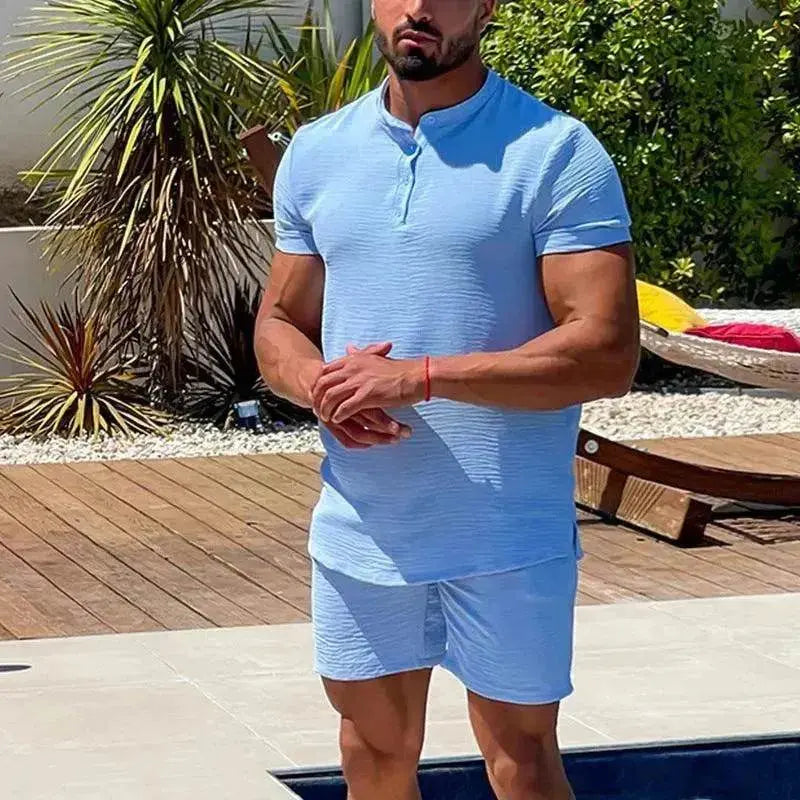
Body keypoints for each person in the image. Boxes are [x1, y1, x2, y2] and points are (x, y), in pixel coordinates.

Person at [254, 0, 639, 797]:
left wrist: (420, 378)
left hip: (508, 531)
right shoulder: (317, 153)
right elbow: (280, 322)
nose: (419, 9)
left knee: (522, 763)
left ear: (488, 6)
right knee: (371, 752)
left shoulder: (555, 151)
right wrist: (320, 387)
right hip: (365, 531)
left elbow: (605, 351)